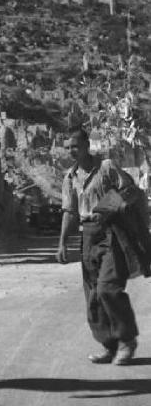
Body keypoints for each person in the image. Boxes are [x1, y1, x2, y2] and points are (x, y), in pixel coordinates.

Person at [56, 128, 140, 365]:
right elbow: (69, 212)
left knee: (108, 288)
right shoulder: (70, 178)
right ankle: (109, 345)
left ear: (86, 146)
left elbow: (130, 189)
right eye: (68, 147)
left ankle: (127, 341)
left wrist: (108, 208)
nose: (72, 151)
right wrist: (62, 243)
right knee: (93, 296)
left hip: (112, 232)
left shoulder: (107, 167)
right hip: (88, 236)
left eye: (75, 146)